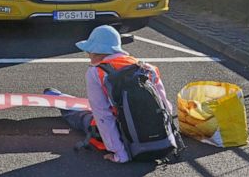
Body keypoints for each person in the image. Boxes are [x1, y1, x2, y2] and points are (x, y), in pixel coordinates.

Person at [47, 25, 176, 163]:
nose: (88, 56)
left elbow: (102, 115)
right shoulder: (147, 68)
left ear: (96, 52)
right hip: (161, 141)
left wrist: (120, 153)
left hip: (124, 137)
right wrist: (169, 140)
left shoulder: (96, 73)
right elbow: (165, 106)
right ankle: (56, 95)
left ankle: (55, 96)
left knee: (79, 116)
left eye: (89, 52)